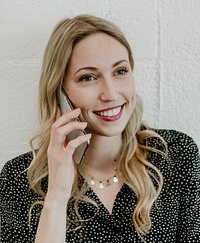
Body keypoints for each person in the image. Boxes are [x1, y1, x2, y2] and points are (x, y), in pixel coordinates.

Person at [0, 14, 199, 243]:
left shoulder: (176, 154)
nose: (111, 94)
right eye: (88, 78)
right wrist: (56, 197)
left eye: (120, 71)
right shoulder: (18, 179)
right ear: (59, 92)